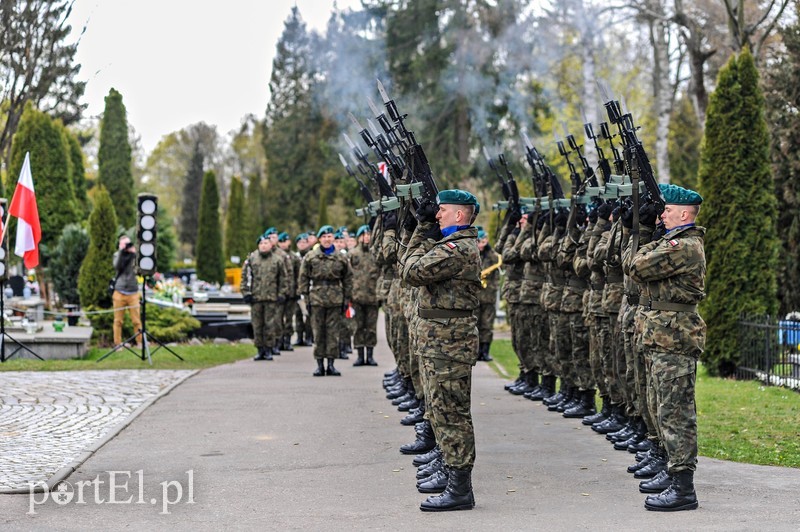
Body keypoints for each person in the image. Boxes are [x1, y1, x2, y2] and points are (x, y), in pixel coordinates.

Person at [401, 189, 481, 512]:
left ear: (459, 216)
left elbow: (410, 271)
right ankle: (450, 470)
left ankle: (460, 488)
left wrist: (421, 231)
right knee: (439, 408)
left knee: (452, 414)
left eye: (442, 211)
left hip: (449, 344)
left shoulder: (456, 249)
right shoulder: (451, 245)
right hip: (441, 341)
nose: (437, 216)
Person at [628, 184, 706, 512]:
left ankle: (684, 488)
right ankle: (671, 471)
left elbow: (636, 267)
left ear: (684, 214)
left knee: (676, 412)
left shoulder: (684, 246)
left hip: (675, 339)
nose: (663, 215)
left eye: (668, 211)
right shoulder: (672, 241)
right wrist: (646, 229)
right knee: (662, 407)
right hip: (662, 337)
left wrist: (646, 231)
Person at [297, 225, 353, 376]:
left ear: (333, 238)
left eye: (330, 237)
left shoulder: (341, 257)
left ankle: (331, 364)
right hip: (316, 299)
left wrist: (346, 299)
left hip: (335, 299)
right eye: (324, 237)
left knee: (333, 333)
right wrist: (306, 298)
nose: (327, 240)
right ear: (320, 239)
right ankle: (320, 364)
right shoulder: (310, 256)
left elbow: (348, 279)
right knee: (319, 332)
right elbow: (303, 278)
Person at [240, 233, 290, 361]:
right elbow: (245, 277)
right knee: (257, 325)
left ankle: (268, 349)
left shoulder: (277, 260)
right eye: (261, 244)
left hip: (271, 298)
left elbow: (283, 279)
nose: (263, 246)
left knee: (270, 325)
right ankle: (259, 349)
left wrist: (282, 294)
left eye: (266, 243)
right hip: (256, 297)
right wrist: (246, 293)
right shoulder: (252, 259)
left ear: (271, 245)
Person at [349, 224, 380, 366]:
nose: (366, 238)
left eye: (368, 235)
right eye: (364, 235)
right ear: (359, 237)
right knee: (358, 326)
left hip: (373, 296)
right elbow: (348, 275)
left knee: (371, 327)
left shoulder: (376, 253)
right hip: (357, 297)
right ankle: (360, 355)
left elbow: (381, 273)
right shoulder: (353, 254)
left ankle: (370, 355)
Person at [112, 235, 142, 347]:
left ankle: (140, 342)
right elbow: (117, 266)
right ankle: (117, 344)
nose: (126, 246)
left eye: (128, 244)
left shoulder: (134, 256)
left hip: (133, 292)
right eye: (124, 244)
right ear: (120, 245)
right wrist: (121, 251)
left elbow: (139, 268)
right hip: (119, 292)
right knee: (118, 321)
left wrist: (134, 253)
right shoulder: (117, 255)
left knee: (136, 321)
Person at [476, 228, 500, 362]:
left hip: (488, 296)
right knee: (475, 325)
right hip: (474, 296)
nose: (481, 244)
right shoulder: (472, 253)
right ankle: (475, 351)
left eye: (483, 241)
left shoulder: (491, 255)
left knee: (487, 325)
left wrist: (488, 248)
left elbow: (498, 260)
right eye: (479, 242)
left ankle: (485, 352)